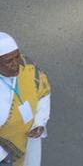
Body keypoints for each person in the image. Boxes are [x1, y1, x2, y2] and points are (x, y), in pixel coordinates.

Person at [0, 33, 50, 166]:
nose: (16, 64)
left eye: (17, 56)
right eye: (8, 61)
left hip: (29, 139)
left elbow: (43, 93)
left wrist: (39, 122)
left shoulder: (28, 68)